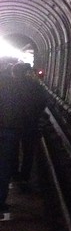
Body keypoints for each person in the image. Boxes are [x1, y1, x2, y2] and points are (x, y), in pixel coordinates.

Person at [0, 62, 47, 211]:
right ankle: (23, 177)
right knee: (26, 153)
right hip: (24, 125)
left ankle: (14, 175)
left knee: (9, 158)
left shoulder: (7, 85)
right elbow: (41, 101)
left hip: (10, 126)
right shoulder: (32, 85)